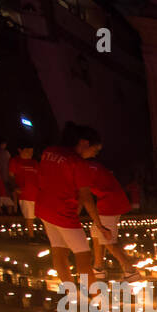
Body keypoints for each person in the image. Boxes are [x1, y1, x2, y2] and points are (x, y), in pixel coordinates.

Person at [35, 122, 113, 298]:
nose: (95, 154)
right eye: (95, 149)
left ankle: (73, 294)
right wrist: (99, 225)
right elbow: (86, 198)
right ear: (84, 143)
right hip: (63, 212)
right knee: (83, 256)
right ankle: (97, 298)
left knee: (59, 251)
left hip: (44, 208)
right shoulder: (78, 163)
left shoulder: (49, 152)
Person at [84, 156, 142, 281]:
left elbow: (84, 197)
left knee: (107, 238)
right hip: (109, 201)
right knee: (95, 232)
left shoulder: (81, 168)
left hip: (110, 203)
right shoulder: (90, 166)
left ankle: (130, 270)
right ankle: (98, 268)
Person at [8, 143, 39, 235]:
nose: (30, 153)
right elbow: (11, 175)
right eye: (27, 151)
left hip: (37, 192)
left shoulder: (34, 162)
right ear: (20, 150)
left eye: (31, 152)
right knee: (29, 216)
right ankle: (31, 236)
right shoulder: (15, 161)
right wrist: (14, 187)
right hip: (25, 193)